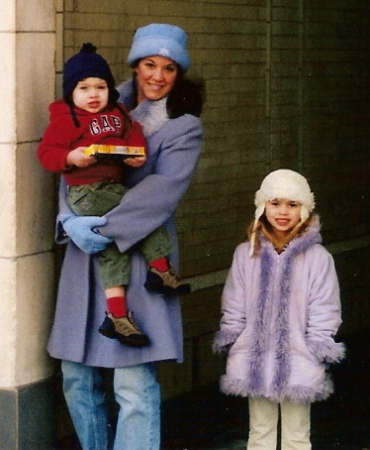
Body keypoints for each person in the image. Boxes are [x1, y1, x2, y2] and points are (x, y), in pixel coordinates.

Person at [46, 23, 204, 450]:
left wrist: (101, 227)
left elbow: (160, 192)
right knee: (76, 374)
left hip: (138, 255)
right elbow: (68, 167)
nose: (157, 75)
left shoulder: (183, 127)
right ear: (135, 65)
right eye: (149, 64)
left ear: (179, 74)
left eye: (169, 68)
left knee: (132, 380)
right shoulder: (94, 103)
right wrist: (69, 222)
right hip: (86, 253)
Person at [38, 43, 190, 348]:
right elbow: (46, 153)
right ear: (71, 92)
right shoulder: (66, 119)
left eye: (100, 87)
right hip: (86, 192)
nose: (93, 94)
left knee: (113, 251)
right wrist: (71, 157)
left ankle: (118, 316)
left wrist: (136, 154)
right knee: (144, 222)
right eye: (84, 88)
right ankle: (160, 271)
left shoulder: (118, 112)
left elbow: (132, 133)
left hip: (111, 187)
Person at [213, 169, 345, 450]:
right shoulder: (246, 253)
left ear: (304, 210)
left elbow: (325, 307)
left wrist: (317, 346)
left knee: (297, 437)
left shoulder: (318, 258)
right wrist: (234, 337)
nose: (283, 212)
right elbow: (234, 301)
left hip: (299, 359)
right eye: (275, 203)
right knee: (259, 433)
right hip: (255, 358)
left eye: (292, 204)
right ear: (263, 206)